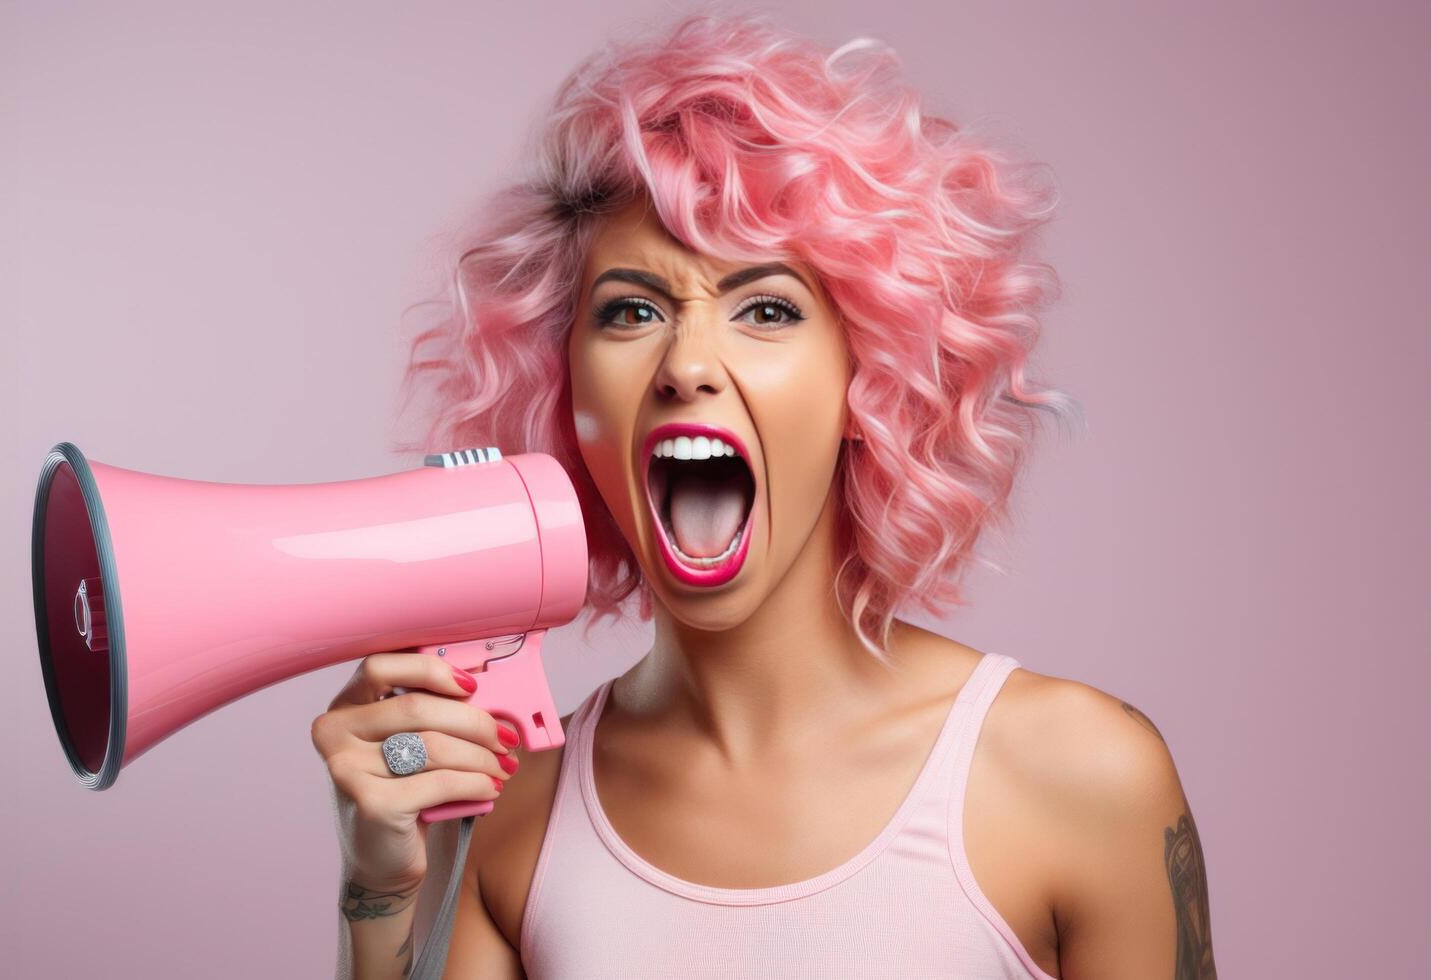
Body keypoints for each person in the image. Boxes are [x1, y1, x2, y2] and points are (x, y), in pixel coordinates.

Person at [309, 14, 1211, 979]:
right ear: (565, 393)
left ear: (870, 383)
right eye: (630, 311)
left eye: (767, 308)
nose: (687, 363)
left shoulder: (1078, 775)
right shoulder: (512, 809)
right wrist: (382, 889)